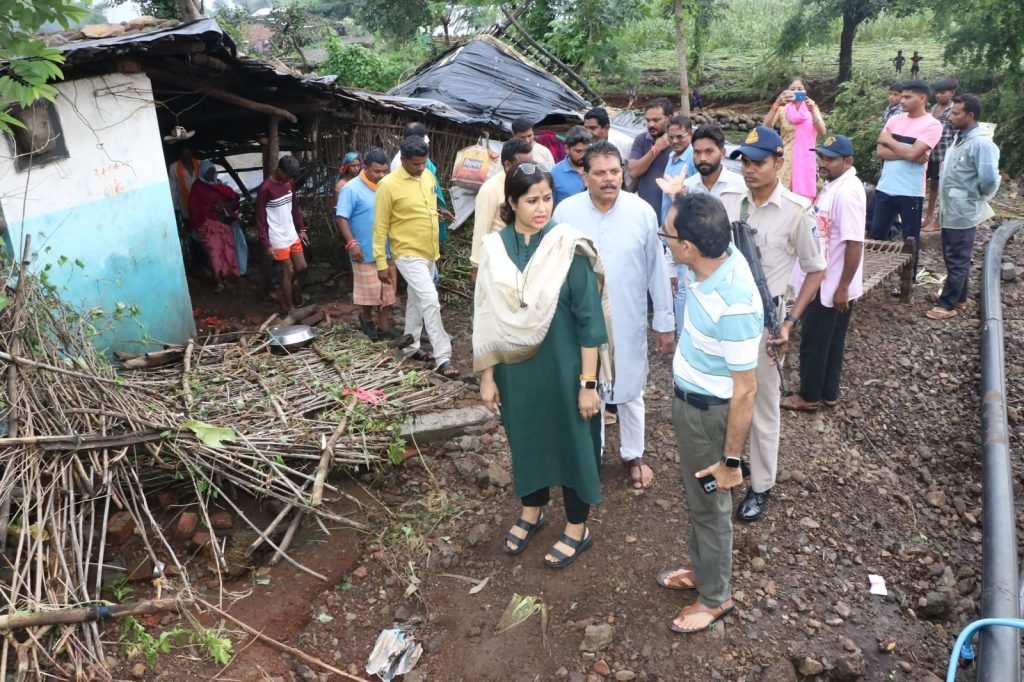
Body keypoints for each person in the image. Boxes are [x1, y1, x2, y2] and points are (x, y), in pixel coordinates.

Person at [475, 164, 612, 569]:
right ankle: (531, 510)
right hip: (515, 371)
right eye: (531, 200)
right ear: (512, 203)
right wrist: (487, 376)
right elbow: (484, 313)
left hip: (566, 369)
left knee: (573, 444)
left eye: (547, 198)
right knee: (527, 439)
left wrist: (588, 383)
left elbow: (590, 321)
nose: (542, 208)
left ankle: (576, 527)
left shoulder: (568, 247)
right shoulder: (496, 248)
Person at [655, 192, 760, 634]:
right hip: (691, 405)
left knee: (712, 506)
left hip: (709, 415)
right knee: (699, 502)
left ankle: (716, 597)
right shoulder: (714, 260)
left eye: (670, 235)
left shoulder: (735, 303)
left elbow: (746, 389)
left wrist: (731, 460)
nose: (667, 240)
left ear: (691, 248)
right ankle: (703, 572)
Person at [553, 141, 675, 490]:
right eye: (600, 173)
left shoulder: (641, 212)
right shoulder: (566, 213)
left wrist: (663, 322)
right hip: (577, 319)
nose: (609, 179)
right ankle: (591, 452)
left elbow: (656, 271)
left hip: (627, 316)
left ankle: (633, 454)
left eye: (615, 172)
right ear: (585, 175)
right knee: (585, 383)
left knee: (631, 386)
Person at [719, 126, 825, 522]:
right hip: (726, 313)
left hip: (766, 318)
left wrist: (791, 321)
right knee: (725, 395)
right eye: (745, 162)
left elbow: (816, 270)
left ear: (779, 164)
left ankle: (761, 485)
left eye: (758, 162)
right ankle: (730, 461)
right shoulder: (729, 199)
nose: (749, 170)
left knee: (763, 404)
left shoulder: (797, 211)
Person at [780, 135, 865, 412]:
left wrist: (842, 287)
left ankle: (809, 396)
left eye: (830, 159)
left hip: (830, 284)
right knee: (832, 340)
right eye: (821, 158)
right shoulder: (836, 186)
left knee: (814, 341)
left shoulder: (847, 192)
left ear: (847, 161)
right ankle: (829, 392)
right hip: (831, 280)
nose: (822, 164)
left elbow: (854, 242)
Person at [374, 137, 458, 378]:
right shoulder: (388, 185)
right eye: (416, 164)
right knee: (431, 298)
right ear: (402, 160)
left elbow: (426, 206)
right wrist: (381, 263)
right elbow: (379, 228)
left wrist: (439, 213)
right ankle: (443, 357)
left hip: (429, 251)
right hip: (407, 253)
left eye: (424, 163)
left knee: (417, 300)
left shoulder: (428, 177)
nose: (421, 168)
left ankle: (410, 348)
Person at [926, 94, 1001, 321]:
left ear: (971, 115)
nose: (950, 116)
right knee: (955, 254)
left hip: (963, 207)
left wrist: (974, 195)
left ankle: (947, 304)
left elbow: (989, 178)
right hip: (953, 206)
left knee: (957, 256)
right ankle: (960, 297)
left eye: (956, 113)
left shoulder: (981, 143)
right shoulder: (961, 137)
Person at [869, 80, 944, 281]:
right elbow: (881, 151)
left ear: (922, 98)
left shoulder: (932, 125)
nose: (902, 100)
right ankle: (872, 274)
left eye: (907, 97)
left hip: (911, 191)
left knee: (910, 238)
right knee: (877, 235)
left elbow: (903, 151)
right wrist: (909, 151)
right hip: (886, 186)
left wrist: (890, 141)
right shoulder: (895, 120)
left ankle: (907, 281)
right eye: (901, 96)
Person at [336, 148, 397, 340]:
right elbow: (341, 218)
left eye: (384, 171)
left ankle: (384, 326)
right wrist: (352, 243)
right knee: (369, 291)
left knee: (388, 290)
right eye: (376, 171)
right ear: (366, 168)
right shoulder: (350, 188)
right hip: (363, 249)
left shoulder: (388, 186)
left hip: (387, 249)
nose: (381, 175)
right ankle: (367, 319)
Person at [471, 139, 534, 283]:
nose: (530, 168)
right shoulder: (490, 189)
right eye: (523, 165)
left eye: (531, 163)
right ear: (507, 165)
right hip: (497, 260)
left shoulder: (530, 186)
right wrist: (476, 266)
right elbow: (481, 229)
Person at [255, 155, 308, 311]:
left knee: (301, 266)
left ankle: (281, 292)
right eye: (287, 175)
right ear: (279, 170)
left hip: (291, 233)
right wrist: (266, 243)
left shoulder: (288, 183)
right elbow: (260, 219)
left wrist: (302, 229)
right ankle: (290, 307)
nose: (289, 179)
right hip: (277, 237)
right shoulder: (265, 189)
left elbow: (294, 208)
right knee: (288, 269)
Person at [764, 78, 827, 201]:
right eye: (792, 89)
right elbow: (766, 127)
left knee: (802, 204)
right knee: (781, 198)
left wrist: (813, 112)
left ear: (805, 92)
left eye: (800, 89)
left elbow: (822, 132)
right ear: (786, 91)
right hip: (785, 161)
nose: (796, 92)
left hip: (806, 162)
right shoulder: (782, 110)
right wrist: (777, 103)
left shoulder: (812, 109)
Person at [189, 161, 243, 289]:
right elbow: (195, 208)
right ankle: (218, 278)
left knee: (228, 249)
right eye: (208, 172)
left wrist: (226, 204)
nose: (211, 175)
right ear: (202, 173)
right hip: (208, 225)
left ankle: (228, 275)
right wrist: (212, 208)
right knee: (215, 251)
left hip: (223, 223)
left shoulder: (218, 185)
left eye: (213, 172)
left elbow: (234, 197)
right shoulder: (198, 187)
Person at [627, 97, 674, 218]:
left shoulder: (680, 143)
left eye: (656, 120)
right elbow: (633, 171)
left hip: (673, 214)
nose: (651, 124)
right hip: (647, 213)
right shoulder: (641, 140)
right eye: (648, 120)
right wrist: (656, 149)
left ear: (669, 118)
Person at [923, 77, 959, 232]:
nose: (939, 95)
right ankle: (928, 216)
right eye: (937, 93)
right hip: (930, 153)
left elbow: (956, 134)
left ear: (952, 93)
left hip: (944, 154)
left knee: (942, 187)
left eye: (943, 93)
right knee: (931, 186)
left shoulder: (954, 111)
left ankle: (938, 220)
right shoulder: (933, 108)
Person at [551, 126, 592, 206]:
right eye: (578, 151)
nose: (583, 155)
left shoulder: (595, 168)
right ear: (567, 149)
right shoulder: (554, 173)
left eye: (587, 150)